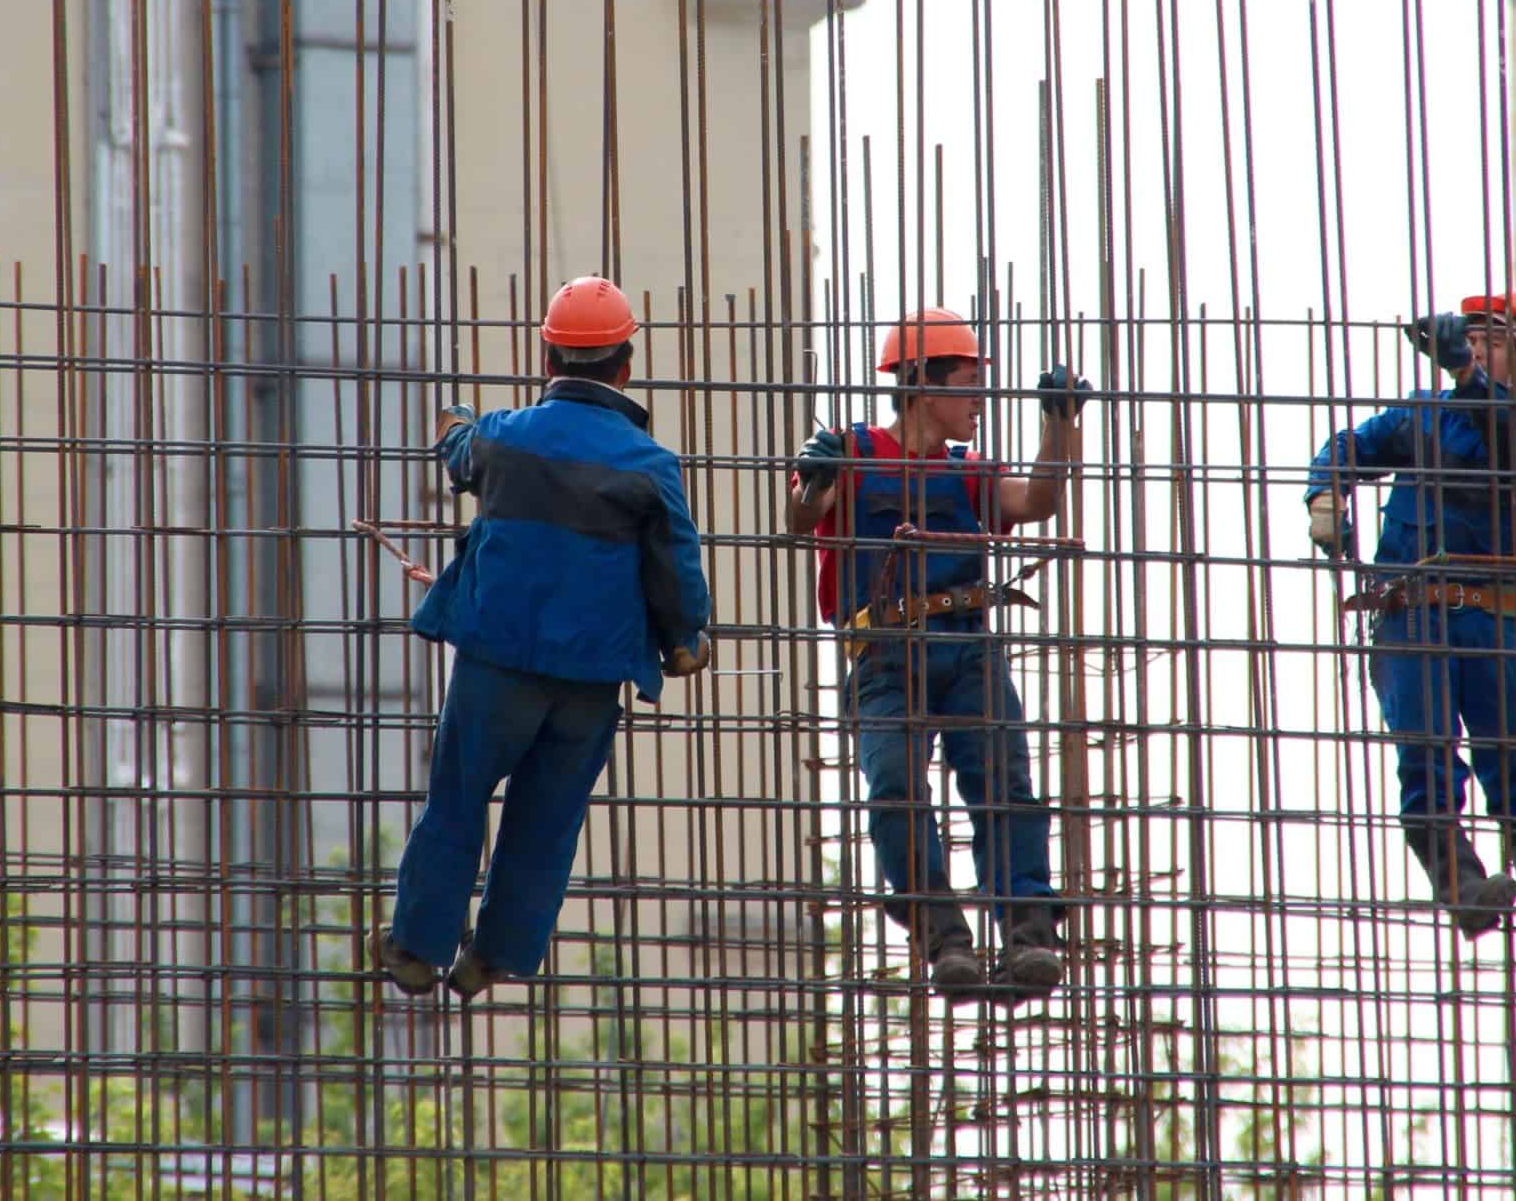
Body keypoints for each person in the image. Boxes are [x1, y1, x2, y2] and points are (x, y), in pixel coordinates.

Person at [377, 275, 714, 999]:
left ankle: (416, 947)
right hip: (591, 681)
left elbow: (461, 453)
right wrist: (686, 637)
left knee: (458, 801)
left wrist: (453, 422)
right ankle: (495, 956)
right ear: (625, 366)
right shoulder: (651, 464)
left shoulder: (504, 436)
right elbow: (676, 563)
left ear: (548, 359)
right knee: (547, 821)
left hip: (497, 666)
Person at [789, 308, 1091, 995]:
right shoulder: (853, 451)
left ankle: (1027, 931)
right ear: (922, 383)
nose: (980, 400)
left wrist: (1060, 422)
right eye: (968, 383)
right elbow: (804, 516)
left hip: (967, 649)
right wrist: (814, 477)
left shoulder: (973, 471)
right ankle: (941, 933)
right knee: (894, 784)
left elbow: (1039, 498)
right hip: (884, 653)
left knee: (1003, 778)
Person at [1304, 288, 1516, 949]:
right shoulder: (1421, 416)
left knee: (1514, 751)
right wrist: (1327, 490)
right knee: (1427, 755)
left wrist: (1466, 373)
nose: (1474, 348)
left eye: (1491, 340)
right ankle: (1461, 884)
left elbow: (1506, 434)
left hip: (1486, 616)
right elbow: (1351, 443)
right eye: (1471, 338)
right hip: (1412, 616)